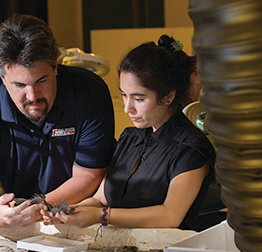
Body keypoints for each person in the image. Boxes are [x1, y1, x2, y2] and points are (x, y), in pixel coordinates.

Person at [42, 35, 216, 230]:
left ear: (168, 97)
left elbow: (170, 215)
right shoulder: (130, 138)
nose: (127, 108)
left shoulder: (191, 148)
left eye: (138, 99)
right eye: (124, 95)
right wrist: (66, 212)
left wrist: (103, 216)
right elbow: (100, 199)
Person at [0, 14, 115, 228]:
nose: (32, 96)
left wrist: (40, 206)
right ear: (3, 79)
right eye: (20, 85)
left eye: (41, 81)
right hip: (23, 226)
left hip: (84, 218)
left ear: (55, 68)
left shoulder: (88, 94)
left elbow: (89, 175)